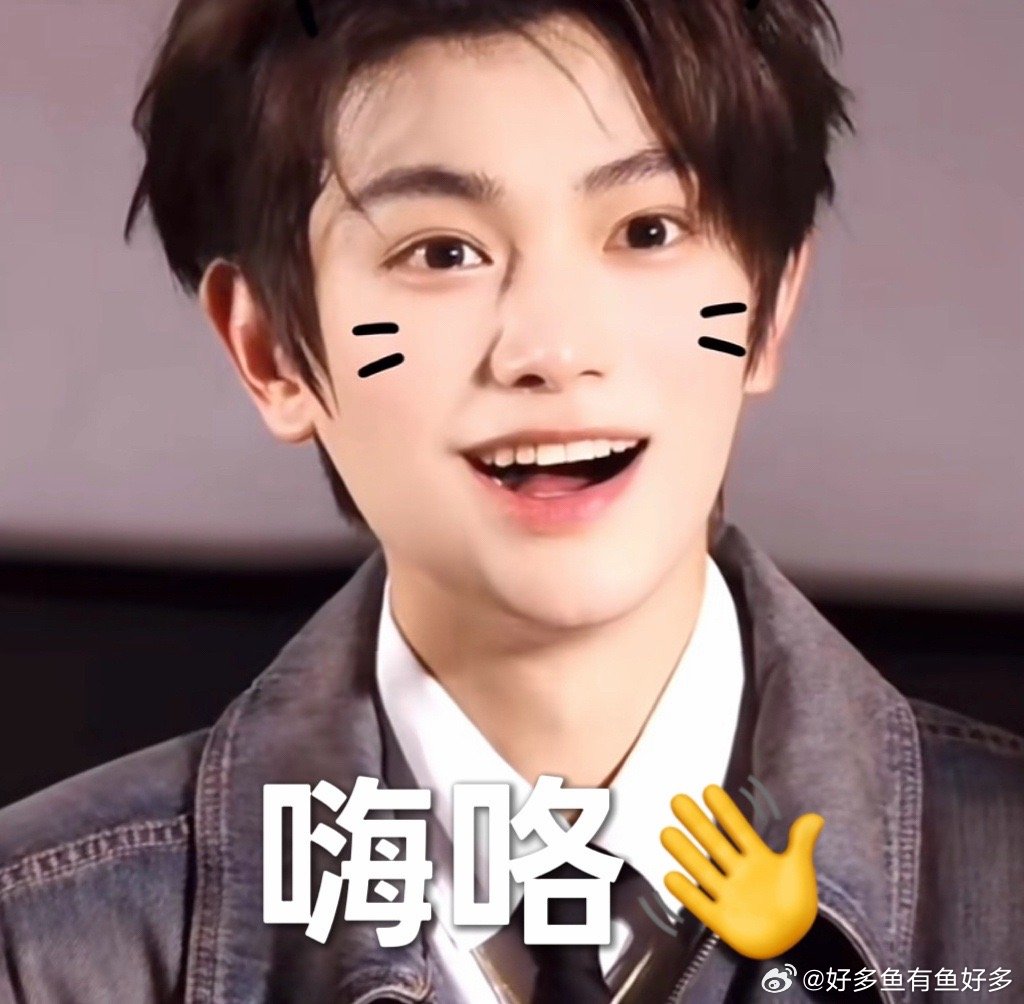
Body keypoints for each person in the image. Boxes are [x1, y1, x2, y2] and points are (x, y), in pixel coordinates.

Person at [1, 1, 1021, 1001]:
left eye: (648, 229)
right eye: (441, 253)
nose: (553, 349)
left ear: (769, 302)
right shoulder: (43, 946)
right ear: (268, 350)